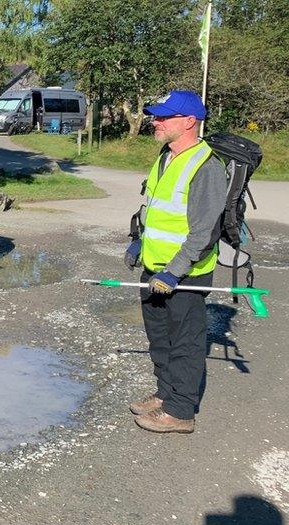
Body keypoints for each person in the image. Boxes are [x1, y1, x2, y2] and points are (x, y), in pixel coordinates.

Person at [124, 90, 228, 434]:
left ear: (188, 122)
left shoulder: (206, 166)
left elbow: (205, 230)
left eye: (163, 117)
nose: (155, 121)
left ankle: (180, 411)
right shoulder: (164, 156)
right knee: (160, 338)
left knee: (185, 342)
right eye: (156, 115)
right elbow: (152, 207)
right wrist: (138, 241)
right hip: (155, 268)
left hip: (184, 275)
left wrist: (174, 272)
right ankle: (165, 394)